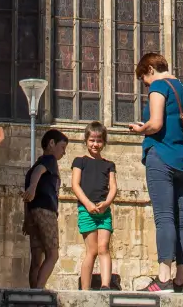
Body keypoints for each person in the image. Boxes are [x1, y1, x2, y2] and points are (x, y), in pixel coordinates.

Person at [124, 52, 183, 292]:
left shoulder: (158, 85)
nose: (145, 85)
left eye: (143, 79)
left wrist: (139, 129)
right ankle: (181, 280)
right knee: (181, 221)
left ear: (149, 70)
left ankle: (163, 278)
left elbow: (156, 124)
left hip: (161, 157)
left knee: (164, 217)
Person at [70, 122, 119, 290]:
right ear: (86, 141)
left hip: (103, 211)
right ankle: (85, 289)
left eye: (99, 141)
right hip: (87, 210)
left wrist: (106, 203)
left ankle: (106, 285)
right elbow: (75, 185)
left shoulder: (109, 164)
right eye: (92, 140)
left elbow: (113, 187)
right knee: (92, 250)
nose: (95, 144)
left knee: (104, 247)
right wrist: (88, 204)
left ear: (104, 142)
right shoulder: (80, 161)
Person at [22, 129, 69, 288]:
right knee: (52, 255)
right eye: (62, 147)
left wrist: (26, 218)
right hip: (46, 211)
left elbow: (27, 197)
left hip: (33, 212)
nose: (64, 152)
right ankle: (38, 291)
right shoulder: (49, 160)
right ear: (51, 143)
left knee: (36, 258)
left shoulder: (34, 166)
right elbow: (39, 172)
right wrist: (34, 187)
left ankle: (32, 293)